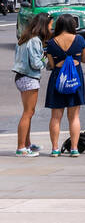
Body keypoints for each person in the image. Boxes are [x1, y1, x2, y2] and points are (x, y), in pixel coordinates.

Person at [44, 13, 85, 157]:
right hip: (75, 79)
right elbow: (84, 59)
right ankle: (74, 148)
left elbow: (51, 64)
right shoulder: (79, 39)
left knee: (55, 117)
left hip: (58, 79)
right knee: (74, 117)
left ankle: (55, 149)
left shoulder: (51, 42)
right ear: (72, 25)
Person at [13, 13, 52, 156]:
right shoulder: (35, 41)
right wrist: (45, 58)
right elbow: (36, 64)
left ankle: (27, 144)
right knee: (28, 113)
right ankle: (21, 147)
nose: (51, 28)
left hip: (21, 77)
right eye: (50, 25)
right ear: (43, 26)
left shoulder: (24, 38)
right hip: (29, 78)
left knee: (28, 113)